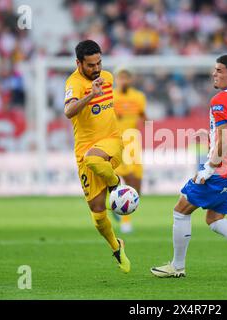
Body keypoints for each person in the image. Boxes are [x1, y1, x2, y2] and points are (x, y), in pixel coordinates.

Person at [151, 55, 227, 278]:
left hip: (221, 170)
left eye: (219, 70)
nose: (214, 74)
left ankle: (177, 266)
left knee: (181, 210)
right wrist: (216, 137)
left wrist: (208, 168)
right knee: (214, 219)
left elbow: (225, 141)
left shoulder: (220, 100)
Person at [63, 40, 130, 273]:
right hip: (84, 150)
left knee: (95, 159)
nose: (97, 68)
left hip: (111, 142)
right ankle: (116, 246)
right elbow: (68, 111)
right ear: (78, 63)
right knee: (98, 212)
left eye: (99, 62)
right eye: (91, 65)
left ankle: (116, 185)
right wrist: (91, 95)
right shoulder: (73, 83)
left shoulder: (109, 77)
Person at [112, 67, 146, 233]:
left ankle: (119, 207)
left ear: (130, 79)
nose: (123, 80)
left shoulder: (138, 97)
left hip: (134, 140)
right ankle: (125, 220)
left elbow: (142, 115)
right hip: (117, 141)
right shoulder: (110, 97)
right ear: (117, 79)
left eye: (126, 77)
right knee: (126, 178)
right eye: (121, 77)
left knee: (138, 182)